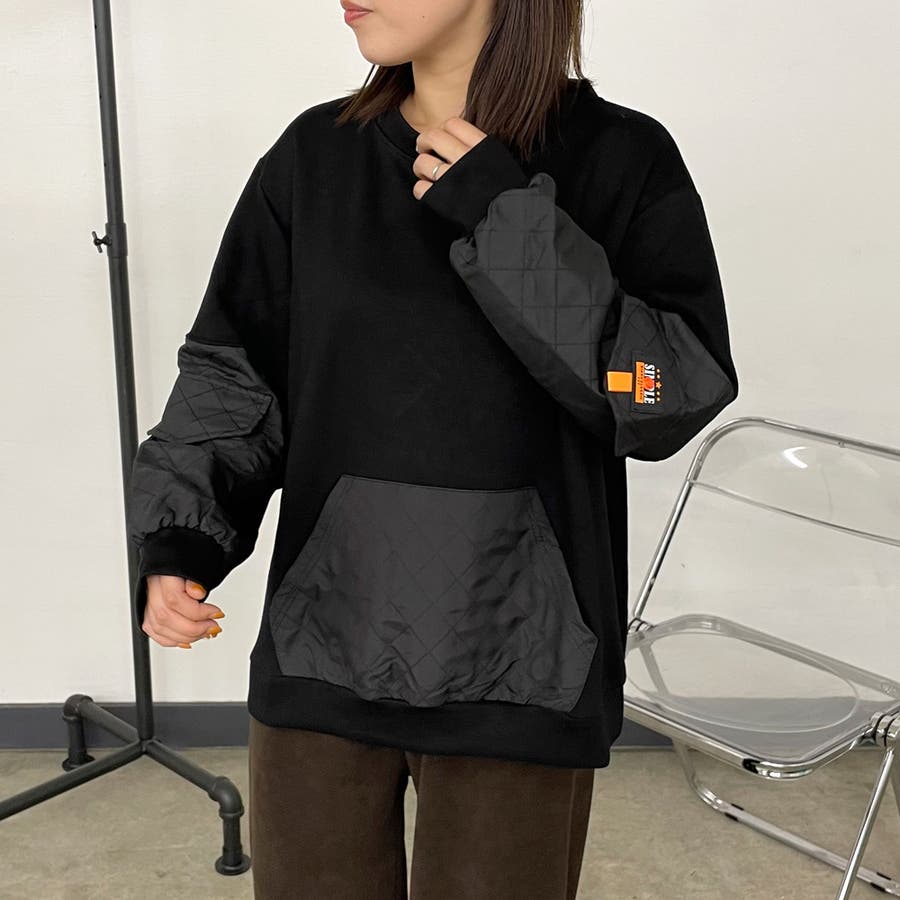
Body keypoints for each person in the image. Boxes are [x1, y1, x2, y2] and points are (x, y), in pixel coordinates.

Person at [124, 0, 739, 897]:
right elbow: (237, 374)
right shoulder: (314, 157)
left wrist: (507, 222)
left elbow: (664, 392)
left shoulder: (621, 157)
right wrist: (182, 536)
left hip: (523, 662)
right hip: (325, 650)